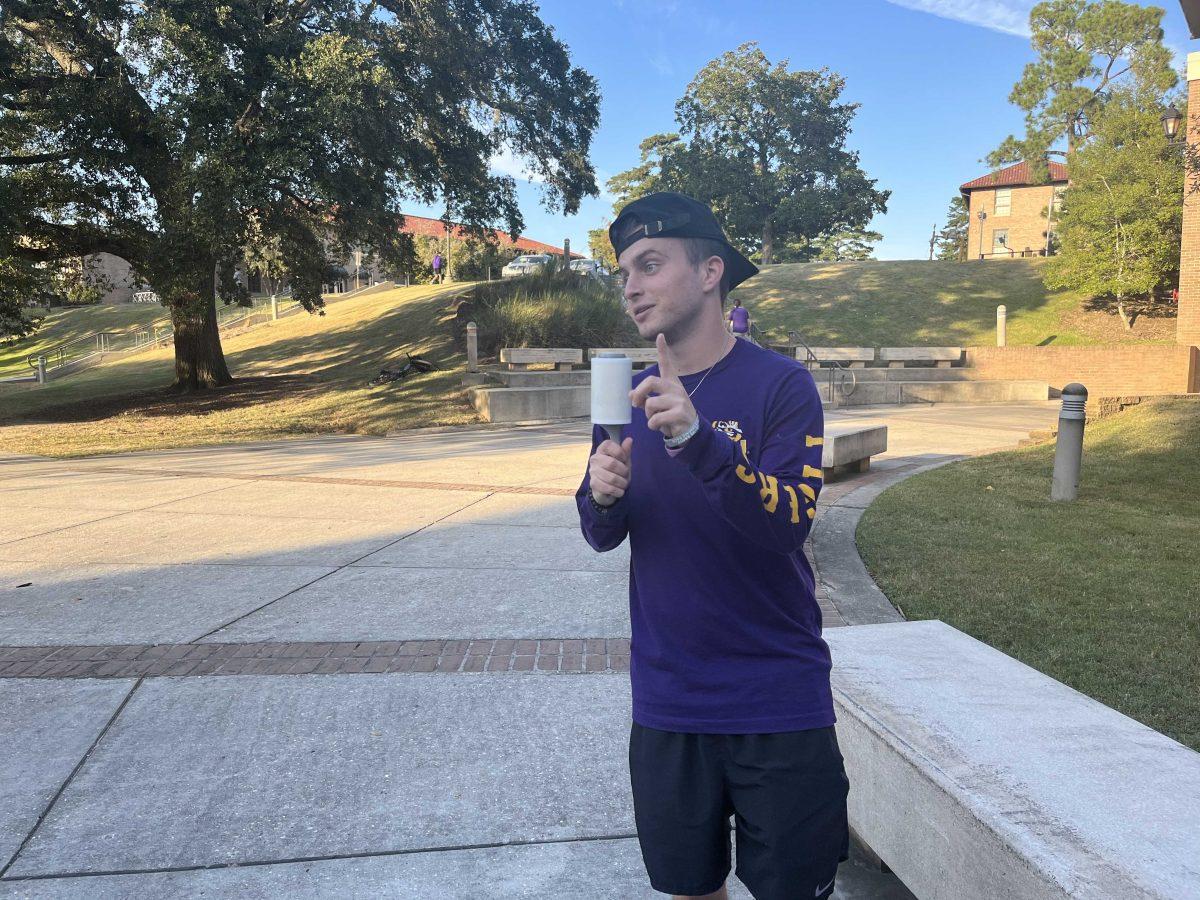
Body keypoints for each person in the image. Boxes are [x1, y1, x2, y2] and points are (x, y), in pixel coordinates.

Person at [576, 192, 848, 900]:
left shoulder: (781, 387)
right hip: (669, 700)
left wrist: (699, 443)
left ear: (710, 274)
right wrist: (600, 496)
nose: (631, 285)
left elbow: (790, 521)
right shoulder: (629, 397)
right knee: (690, 888)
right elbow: (601, 534)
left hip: (776, 699)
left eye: (651, 264)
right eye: (624, 272)